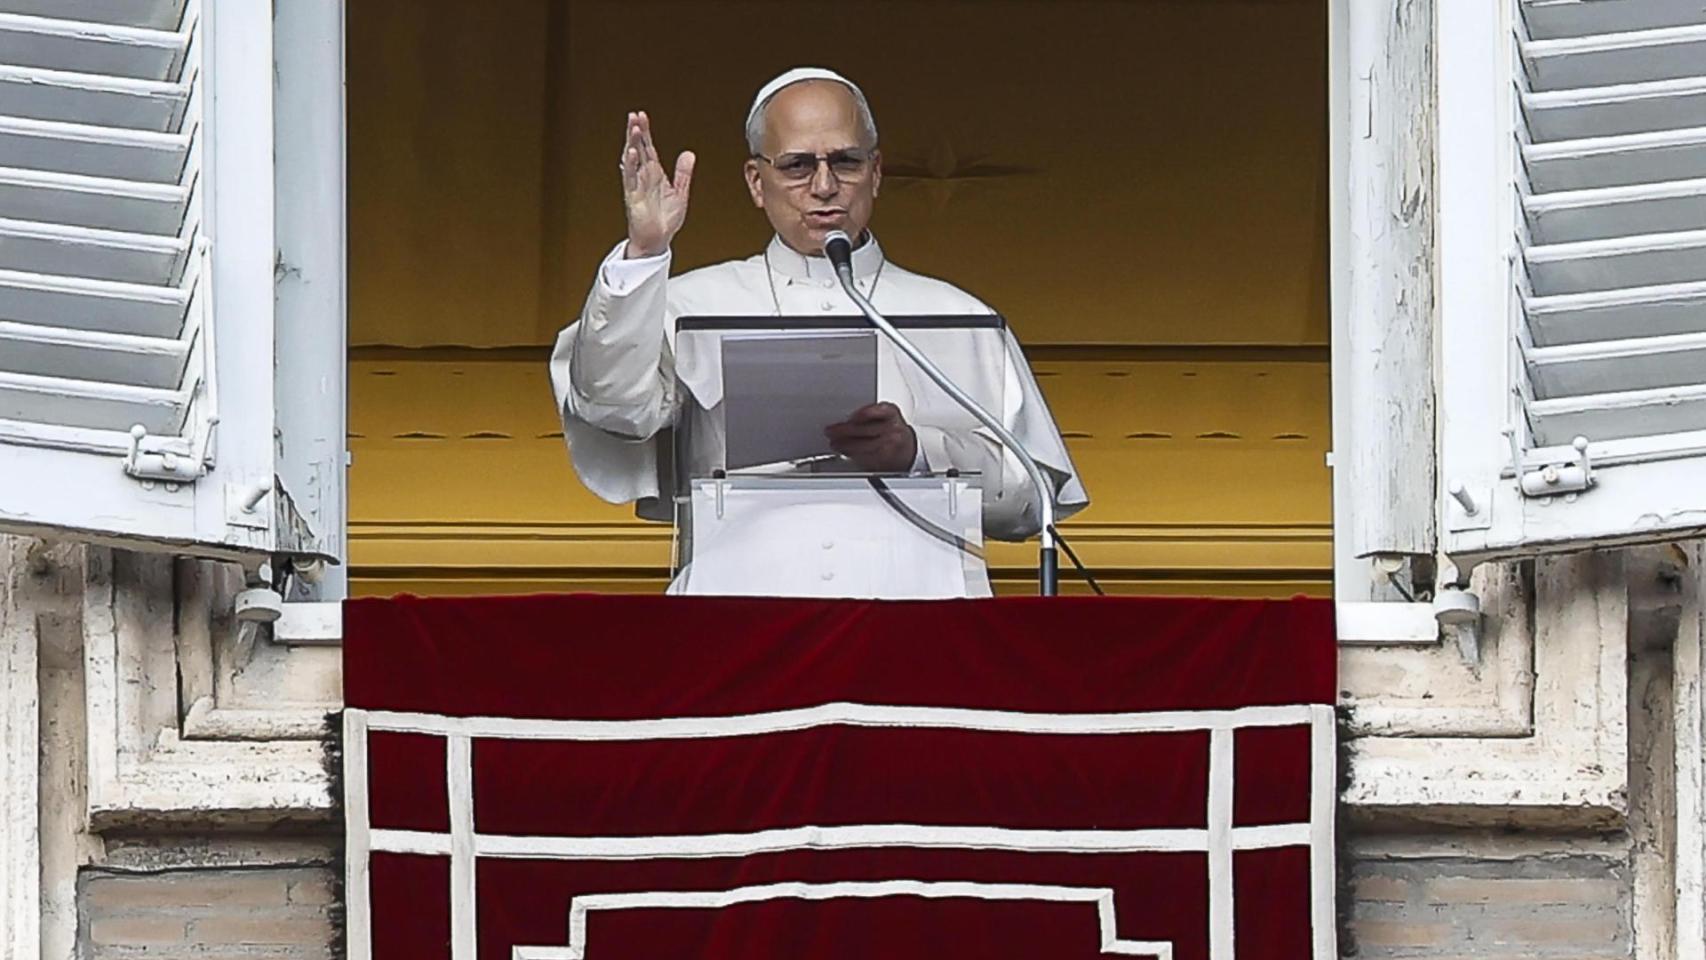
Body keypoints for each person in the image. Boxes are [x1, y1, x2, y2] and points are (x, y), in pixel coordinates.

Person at [549, 67, 1087, 596]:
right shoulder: (686, 306)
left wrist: (918, 453)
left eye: (846, 162)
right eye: (798, 165)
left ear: (876, 172)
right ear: (756, 182)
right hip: (737, 614)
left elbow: (1032, 499)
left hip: (918, 621)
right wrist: (645, 252)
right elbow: (612, 409)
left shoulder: (959, 316)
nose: (825, 186)